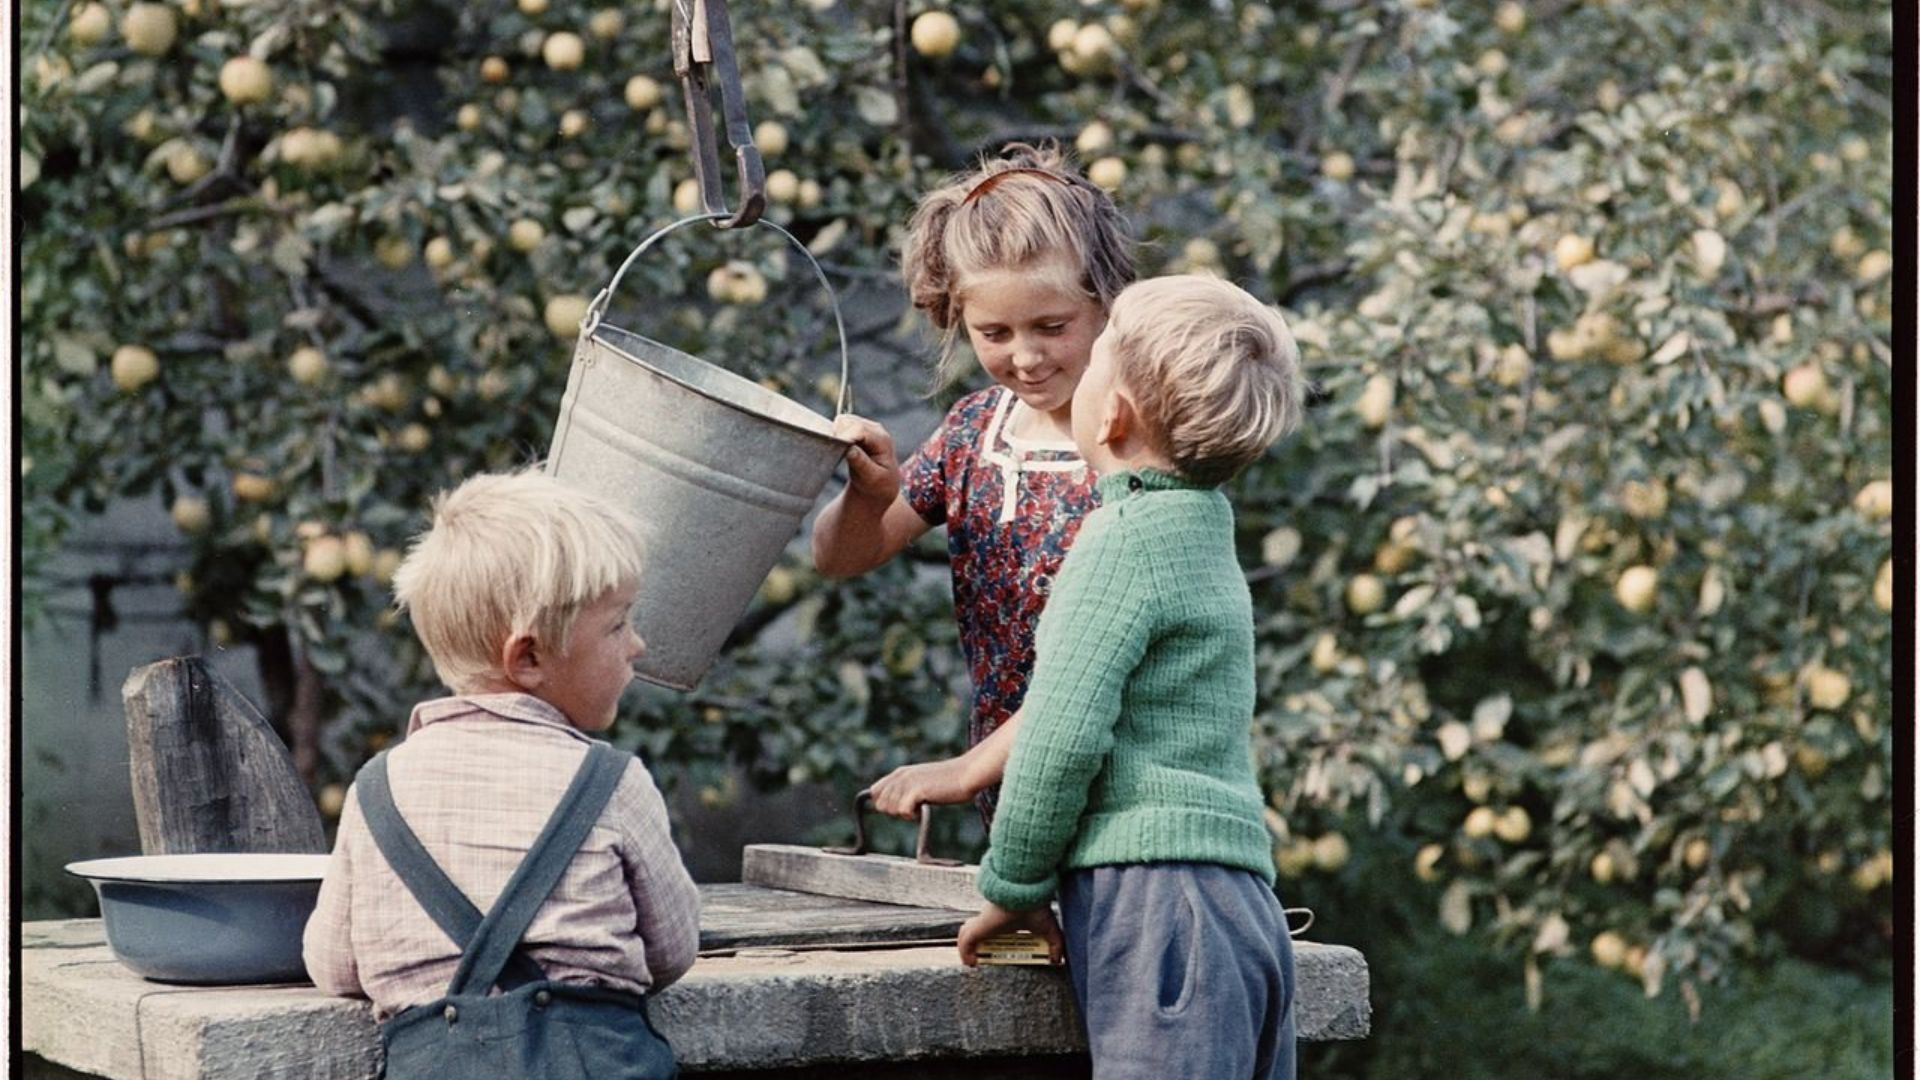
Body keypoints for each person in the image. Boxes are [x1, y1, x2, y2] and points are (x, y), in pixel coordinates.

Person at [956, 275, 1308, 1080]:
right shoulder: (1204, 524)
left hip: (1158, 908)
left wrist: (1012, 884)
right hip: (1244, 904)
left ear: (1111, 413)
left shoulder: (1121, 538)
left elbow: (1060, 735)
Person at [303, 468, 699, 1080]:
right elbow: (674, 950)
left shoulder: (376, 790)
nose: (637, 645)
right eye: (618, 624)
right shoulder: (614, 782)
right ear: (529, 657)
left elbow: (333, 967)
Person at [811, 141, 1136, 824]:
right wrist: (870, 496)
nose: (1024, 355)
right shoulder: (974, 432)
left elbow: (1101, 667)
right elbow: (840, 557)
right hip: (1012, 792)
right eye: (994, 332)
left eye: (1052, 326)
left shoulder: (1136, 444)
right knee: (1019, 935)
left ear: (1107, 305)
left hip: (1127, 790)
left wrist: (966, 768)